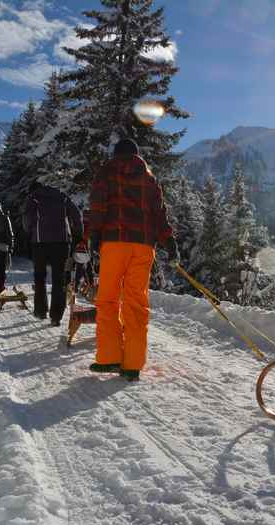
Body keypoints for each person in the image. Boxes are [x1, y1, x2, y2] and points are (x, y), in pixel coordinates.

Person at [87, 138, 179, 381]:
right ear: (137, 155)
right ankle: (132, 364)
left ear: (116, 154)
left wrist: (93, 236)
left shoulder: (106, 173)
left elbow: (97, 207)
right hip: (143, 245)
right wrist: (169, 241)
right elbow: (160, 213)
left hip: (114, 242)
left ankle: (109, 358)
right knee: (136, 302)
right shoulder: (148, 179)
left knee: (107, 299)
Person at [26, 182, 83, 326]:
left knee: (40, 277)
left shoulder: (34, 198)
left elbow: (27, 221)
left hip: (40, 243)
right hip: (62, 243)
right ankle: (56, 316)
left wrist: (31, 232)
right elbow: (77, 216)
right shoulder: (62, 197)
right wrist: (78, 235)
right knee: (60, 279)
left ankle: (40, 311)